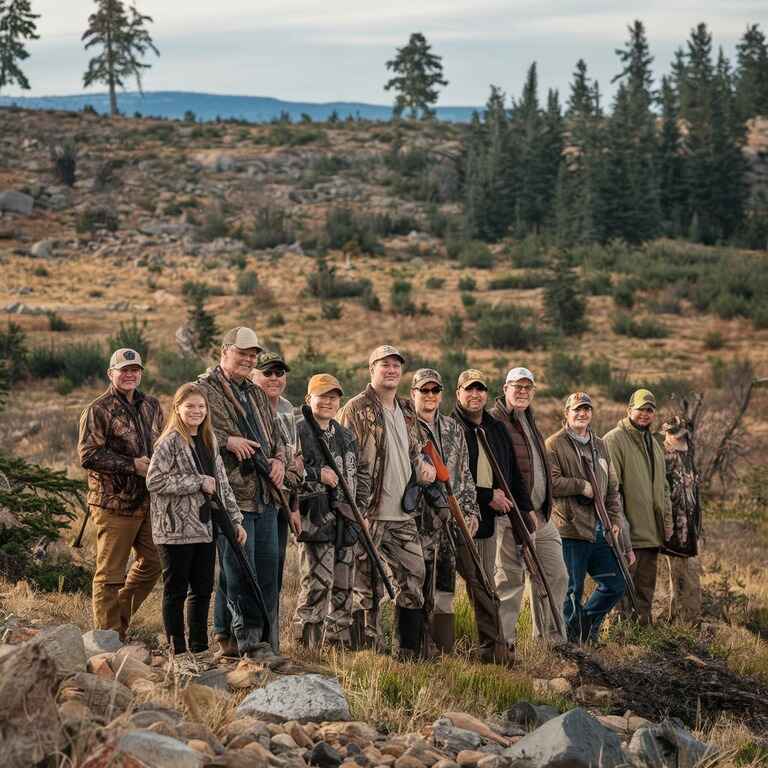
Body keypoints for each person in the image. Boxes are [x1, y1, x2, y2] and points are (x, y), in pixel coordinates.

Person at [337, 345, 435, 657]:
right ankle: (368, 652)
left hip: (402, 515)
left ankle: (408, 651)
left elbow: (415, 451)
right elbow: (344, 462)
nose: (391, 370)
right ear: (371, 370)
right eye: (384, 365)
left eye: (396, 365)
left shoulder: (407, 410)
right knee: (367, 585)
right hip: (368, 513)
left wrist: (423, 469)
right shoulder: (355, 409)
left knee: (414, 574)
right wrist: (354, 509)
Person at [197, 327, 287, 659]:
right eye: (242, 353)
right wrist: (226, 442)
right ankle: (243, 641)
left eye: (252, 354)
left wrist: (279, 460)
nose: (248, 359)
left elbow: (278, 438)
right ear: (224, 351)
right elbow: (188, 431)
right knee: (239, 572)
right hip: (231, 497)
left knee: (267, 569)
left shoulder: (257, 393)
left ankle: (257, 640)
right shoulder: (202, 390)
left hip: (264, 496)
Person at [146, 383, 246, 662]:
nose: (196, 411)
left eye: (201, 407)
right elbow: (153, 481)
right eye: (190, 406)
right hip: (174, 530)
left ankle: (200, 648)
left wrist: (236, 520)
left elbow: (222, 484)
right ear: (177, 408)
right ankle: (177, 649)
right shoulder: (168, 442)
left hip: (205, 528)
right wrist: (196, 482)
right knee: (175, 590)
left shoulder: (209, 440)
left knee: (202, 590)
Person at [78, 348, 164, 640]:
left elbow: (162, 445)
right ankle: (106, 639)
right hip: (113, 503)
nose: (130, 375)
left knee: (154, 562)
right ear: (110, 374)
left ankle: (119, 621)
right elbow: (88, 455)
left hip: (148, 501)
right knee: (110, 574)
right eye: (123, 370)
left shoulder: (152, 405)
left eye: (135, 369)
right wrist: (131, 466)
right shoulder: (98, 409)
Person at [451, 369, 532, 663]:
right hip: (453, 519)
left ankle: (493, 651)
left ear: (487, 393)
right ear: (458, 393)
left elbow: (511, 476)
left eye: (480, 389)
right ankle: (440, 652)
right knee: (445, 587)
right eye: (469, 389)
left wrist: (525, 511)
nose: (475, 395)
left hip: (485, 524)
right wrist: (488, 495)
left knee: (484, 586)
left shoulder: (495, 428)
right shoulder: (450, 427)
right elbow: (453, 480)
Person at [490, 367, 569, 647]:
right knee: (510, 582)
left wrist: (542, 510)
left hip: (541, 518)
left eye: (527, 387)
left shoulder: (529, 420)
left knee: (556, 575)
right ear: (505, 388)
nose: (522, 392)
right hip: (511, 517)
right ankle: (504, 646)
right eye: (517, 386)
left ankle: (550, 642)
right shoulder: (494, 421)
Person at [546, 392, 632, 644]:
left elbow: (612, 488)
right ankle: (574, 642)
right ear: (567, 413)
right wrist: (581, 486)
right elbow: (550, 482)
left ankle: (586, 628)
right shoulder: (554, 444)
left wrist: (615, 520)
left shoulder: (600, 444)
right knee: (572, 591)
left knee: (615, 584)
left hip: (599, 529)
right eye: (577, 409)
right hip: (570, 529)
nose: (582, 414)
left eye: (586, 409)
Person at [410, 368, 481, 656]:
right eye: (424, 391)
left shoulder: (453, 428)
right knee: (416, 588)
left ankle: (444, 651)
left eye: (435, 391)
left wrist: (471, 511)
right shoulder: (406, 426)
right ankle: (417, 650)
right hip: (415, 522)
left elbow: (464, 475)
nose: (430, 396)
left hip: (450, 524)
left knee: (444, 591)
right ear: (413, 393)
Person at [293, 374, 360, 648]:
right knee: (316, 585)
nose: (329, 402)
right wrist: (315, 475)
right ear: (309, 399)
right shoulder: (298, 431)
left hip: (346, 521)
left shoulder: (345, 435)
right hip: (314, 520)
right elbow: (289, 476)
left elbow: (359, 476)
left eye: (334, 397)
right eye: (323, 396)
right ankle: (307, 645)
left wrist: (359, 511)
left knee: (344, 585)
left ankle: (337, 641)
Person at [603, 389, 673, 626]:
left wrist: (667, 523)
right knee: (622, 589)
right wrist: (619, 527)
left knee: (645, 590)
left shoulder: (653, 443)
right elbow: (611, 490)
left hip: (652, 533)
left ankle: (642, 634)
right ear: (629, 410)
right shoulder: (614, 439)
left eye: (650, 410)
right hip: (627, 533)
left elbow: (663, 488)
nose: (645, 414)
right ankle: (619, 637)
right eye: (641, 409)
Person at [251, 351, 303, 646]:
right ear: (255, 376)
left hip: (282, 501)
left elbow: (295, 459)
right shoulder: (249, 407)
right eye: (267, 372)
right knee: (250, 572)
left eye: (279, 373)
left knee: (276, 573)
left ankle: (271, 641)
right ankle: (247, 639)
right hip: (256, 500)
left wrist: (294, 507)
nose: (274, 378)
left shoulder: (287, 409)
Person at [658, 415, 702, 624]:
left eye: (679, 433)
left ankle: (685, 620)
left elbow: (694, 493)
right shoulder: (661, 455)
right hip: (672, 527)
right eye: (670, 433)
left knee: (688, 575)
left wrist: (697, 524)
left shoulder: (689, 455)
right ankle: (674, 619)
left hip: (690, 526)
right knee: (677, 577)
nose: (674, 438)